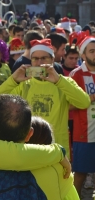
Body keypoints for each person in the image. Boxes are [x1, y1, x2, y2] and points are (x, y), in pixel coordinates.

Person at [0, 38, 91, 158]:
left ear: (53, 60)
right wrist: (13, 80)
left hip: (57, 149)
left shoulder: (64, 82)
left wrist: (59, 81)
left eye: (44, 58)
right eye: (35, 59)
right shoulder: (23, 83)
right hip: (28, 148)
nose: (39, 63)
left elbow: (84, 102)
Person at [69, 36, 95, 197]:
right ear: (83, 55)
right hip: (83, 134)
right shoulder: (76, 75)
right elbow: (68, 104)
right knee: (80, 174)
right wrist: (91, 98)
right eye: (92, 51)